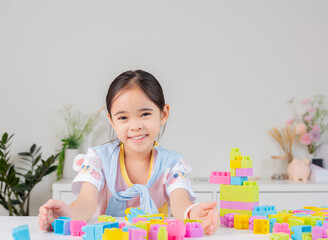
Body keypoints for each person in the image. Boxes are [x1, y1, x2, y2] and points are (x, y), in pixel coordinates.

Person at [38, 70, 220, 235]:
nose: (135, 126)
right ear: (111, 120)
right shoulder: (98, 159)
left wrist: (195, 213)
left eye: (145, 114)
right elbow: (85, 203)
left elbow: (181, 204)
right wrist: (67, 215)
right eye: (123, 117)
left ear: (163, 114)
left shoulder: (173, 164)